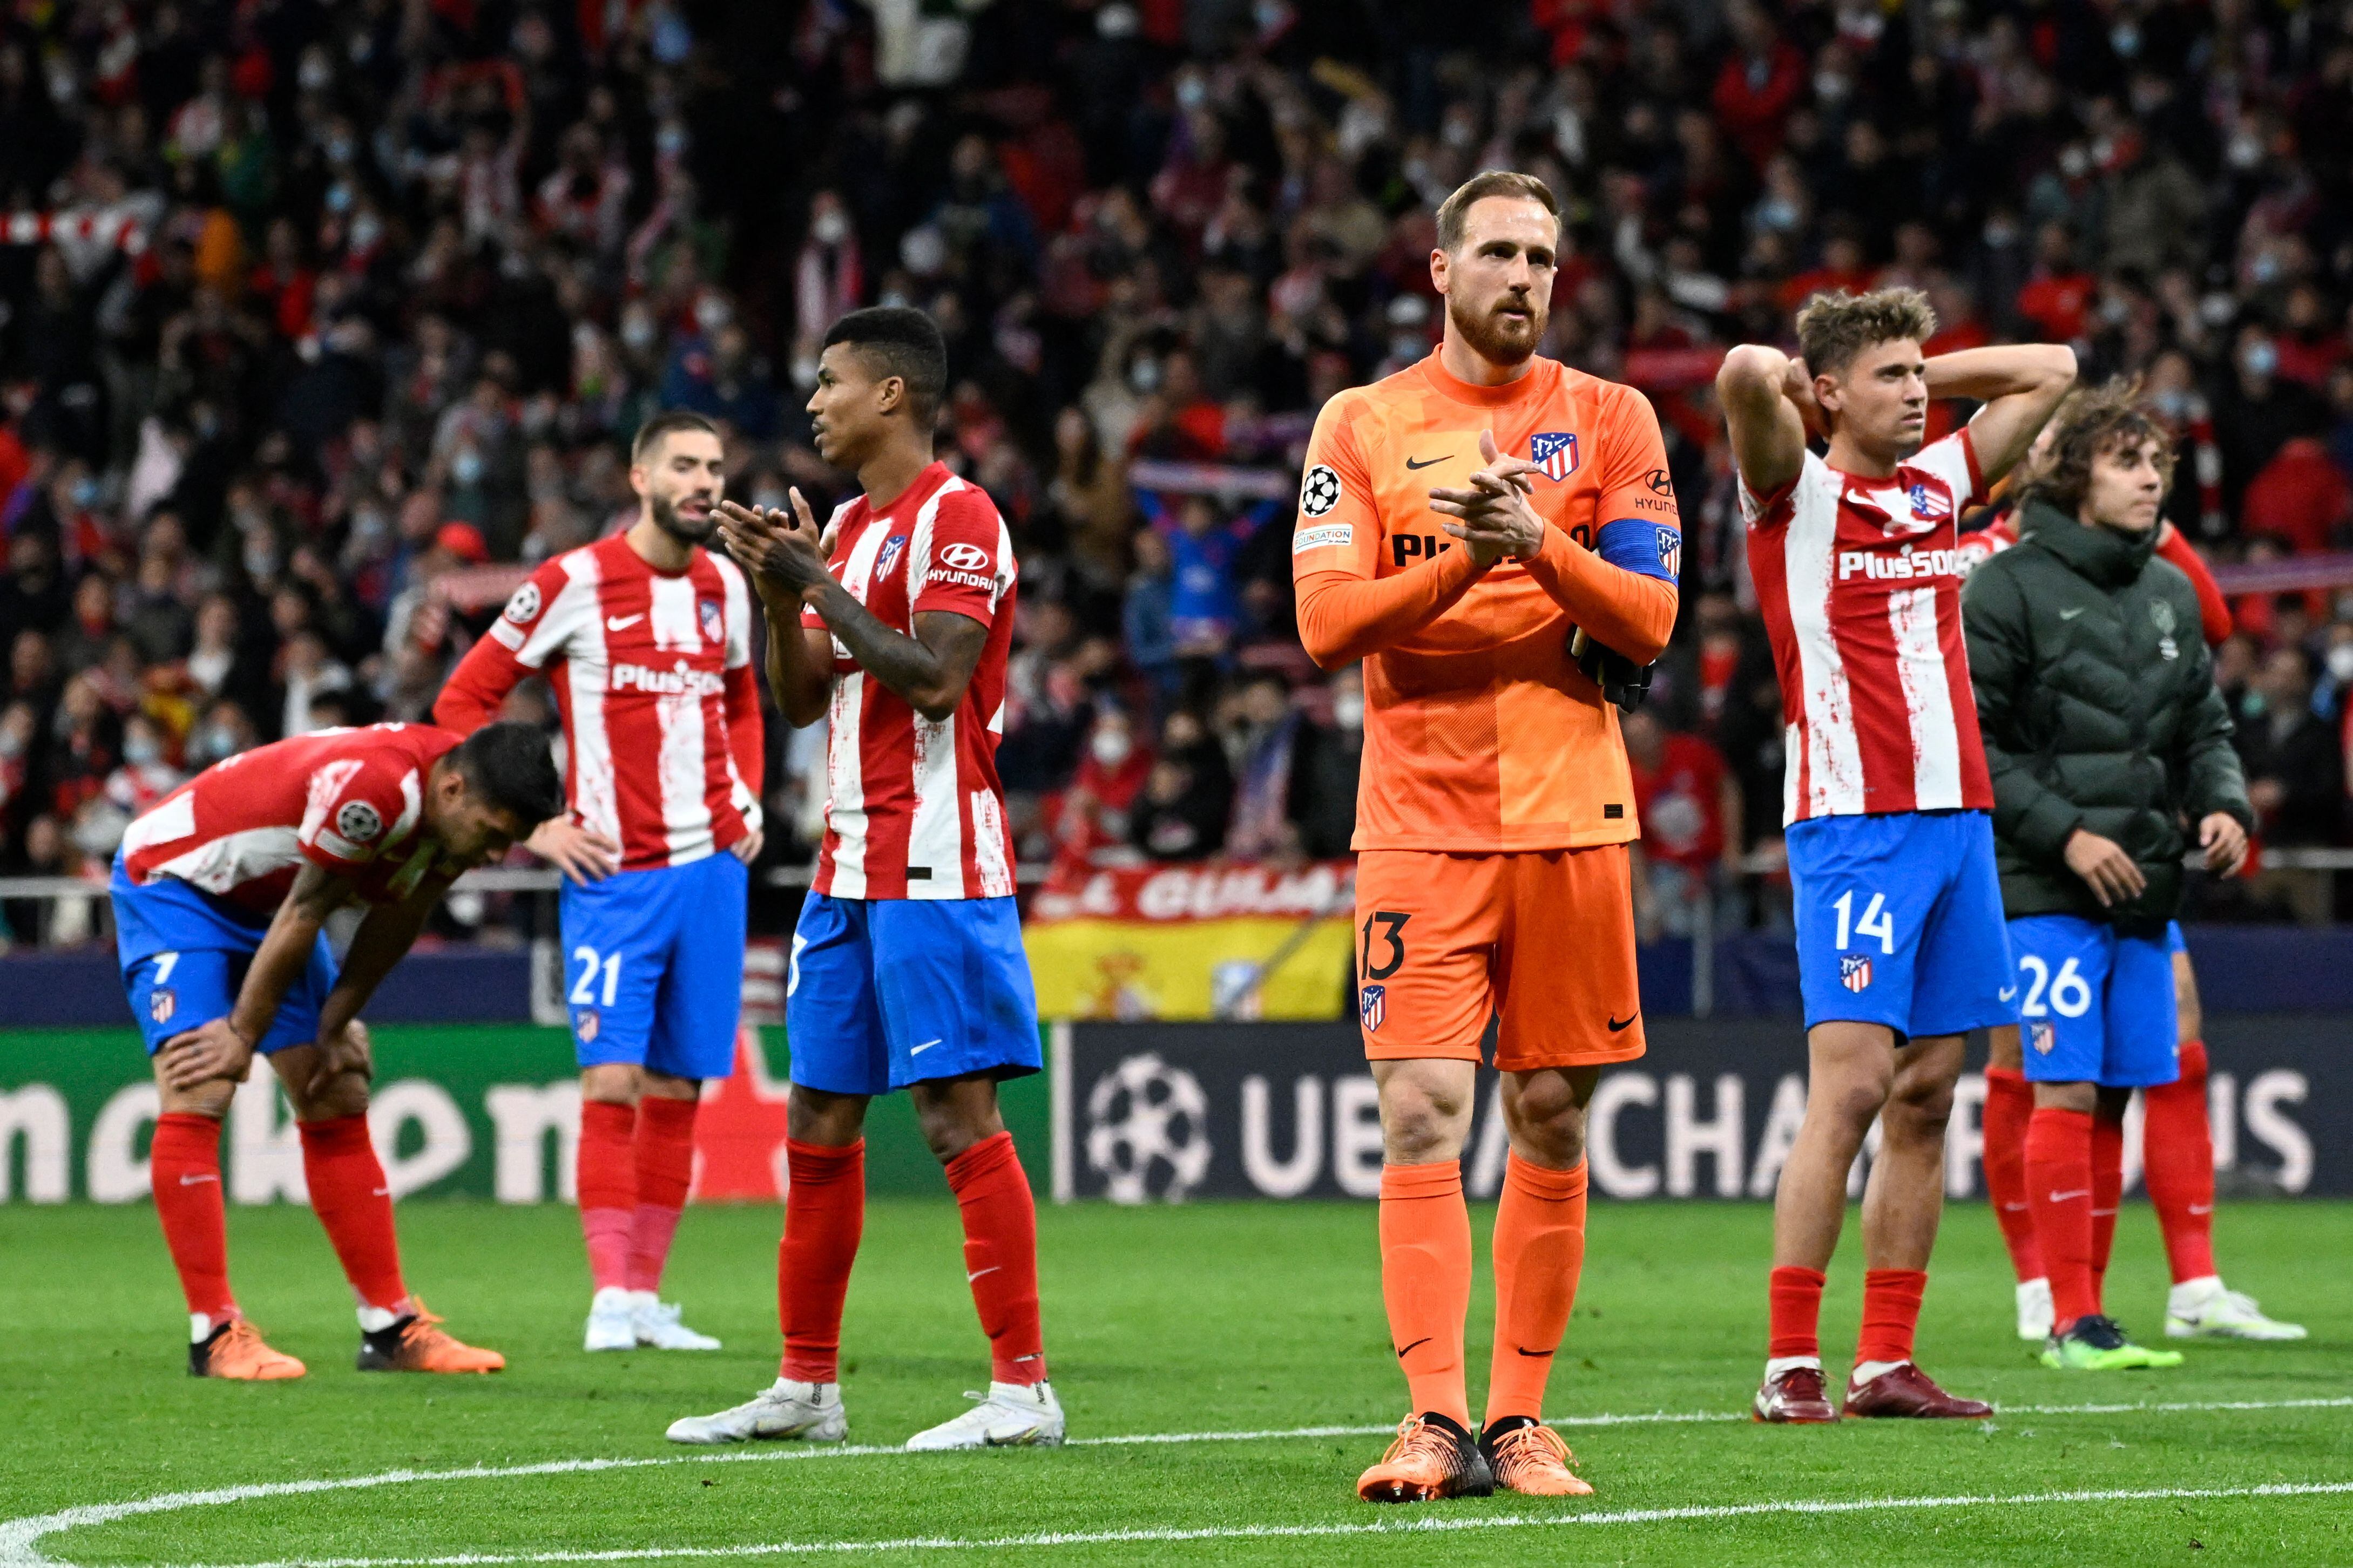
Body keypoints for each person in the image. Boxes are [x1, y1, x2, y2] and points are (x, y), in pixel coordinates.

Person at [1292, 170, 1680, 1503]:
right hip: (1415, 819)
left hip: (1572, 811)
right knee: (1417, 1109)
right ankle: (1433, 1421)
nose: (1524, 276)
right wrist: (1473, 561)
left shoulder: (1613, 419)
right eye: (1499, 253)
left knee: (1552, 1112)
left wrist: (1533, 543)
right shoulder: (1364, 421)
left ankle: (1519, 1420)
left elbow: (1648, 617)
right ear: (1441, 272)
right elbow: (1327, 624)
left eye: (1544, 257)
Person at [676, 306, 1059, 1450]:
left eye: (829, 382)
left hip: (935, 856)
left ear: (891, 394)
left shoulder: (960, 515)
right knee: (819, 1112)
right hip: (844, 860)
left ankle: (1022, 1392)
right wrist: (774, 585)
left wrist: (817, 583)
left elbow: (936, 681)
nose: (812, 403)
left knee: (954, 1115)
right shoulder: (843, 522)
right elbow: (803, 697)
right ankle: (806, 1388)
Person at [1715, 287, 2075, 1422]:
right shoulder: (1794, 494)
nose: (1918, 393)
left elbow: (2053, 369)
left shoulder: (1942, 484)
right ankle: (1786, 1363)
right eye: (1891, 378)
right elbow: (1735, 371)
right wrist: (1801, 378)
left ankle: (1883, 1361)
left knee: (1927, 1091)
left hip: (1957, 822)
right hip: (1851, 824)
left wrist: (1913, 360)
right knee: (1855, 1082)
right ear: (1825, 395)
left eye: (1924, 376)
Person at [1960, 443, 2305, 1346]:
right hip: (2017, 848)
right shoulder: (1979, 554)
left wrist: (2220, 804)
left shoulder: (2149, 568)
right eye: (2126, 460)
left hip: (2138, 860)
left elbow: (2210, 632)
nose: (2152, 475)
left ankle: (2180, 1285)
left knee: (2146, 1052)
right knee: (2037, 1064)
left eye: (2155, 460)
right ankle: (2045, 1283)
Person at [435, 410, 764, 1355]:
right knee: (610, 1079)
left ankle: (648, 1298)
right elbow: (465, 698)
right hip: (614, 872)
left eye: (714, 465)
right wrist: (536, 824)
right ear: (639, 477)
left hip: (709, 870)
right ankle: (608, 1295)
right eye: (685, 466)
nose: (704, 481)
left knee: (678, 1088)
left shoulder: (725, 590)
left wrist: (743, 800)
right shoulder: (571, 583)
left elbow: (742, 700)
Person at [111, 721, 563, 1379]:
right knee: (201, 1083)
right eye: (494, 834)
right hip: (179, 885)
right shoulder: (374, 790)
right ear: (454, 787)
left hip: (271, 906)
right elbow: (307, 912)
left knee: (335, 1084)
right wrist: (240, 1035)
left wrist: (334, 1023)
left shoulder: (451, 817)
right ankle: (212, 1334)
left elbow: (397, 919)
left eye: (509, 843)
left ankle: (390, 1329)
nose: (495, 855)